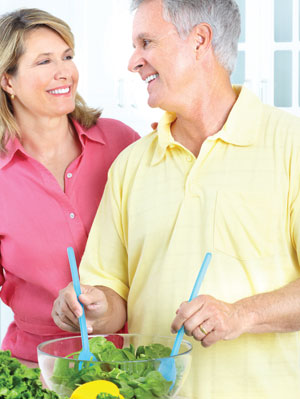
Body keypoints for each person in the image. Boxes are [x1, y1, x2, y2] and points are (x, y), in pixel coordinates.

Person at [52, 0, 300, 397]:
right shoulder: (131, 165)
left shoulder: (292, 145)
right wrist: (93, 306)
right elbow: (111, 295)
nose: (134, 61)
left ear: (200, 40)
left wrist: (241, 314)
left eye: (146, 42)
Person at [0, 8, 139, 364]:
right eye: (44, 61)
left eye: (67, 56)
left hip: (132, 363)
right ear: (7, 81)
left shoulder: (121, 143)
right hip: (36, 366)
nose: (64, 71)